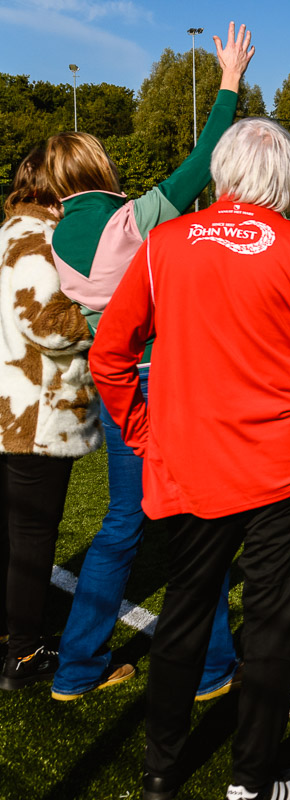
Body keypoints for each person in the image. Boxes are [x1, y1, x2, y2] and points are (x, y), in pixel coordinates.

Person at [90, 118, 290, 800]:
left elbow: (110, 355)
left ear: (221, 172)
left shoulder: (163, 245)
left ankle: (161, 770)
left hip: (192, 466)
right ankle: (250, 782)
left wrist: (141, 433)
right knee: (273, 629)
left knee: (184, 613)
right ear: (286, 180)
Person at [45, 22, 254, 703]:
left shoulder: (48, 238)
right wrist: (228, 84)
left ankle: (76, 668)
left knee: (121, 524)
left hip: (112, 385)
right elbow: (201, 165)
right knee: (201, 519)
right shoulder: (129, 220)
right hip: (166, 379)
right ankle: (215, 666)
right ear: (98, 170)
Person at [0, 151, 101, 691]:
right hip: (35, 415)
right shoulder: (40, 240)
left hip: (11, 407)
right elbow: (47, 324)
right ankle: (26, 652)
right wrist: (104, 313)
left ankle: (11, 637)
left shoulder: (8, 232)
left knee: (12, 533)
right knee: (32, 537)